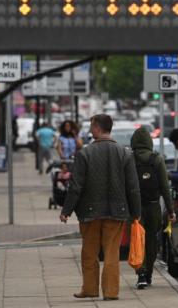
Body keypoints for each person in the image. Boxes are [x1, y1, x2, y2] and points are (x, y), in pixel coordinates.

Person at [60, 114, 142, 301]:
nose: (90, 129)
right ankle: (111, 292)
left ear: (97, 127)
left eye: (91, 125)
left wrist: (66, 210)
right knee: (112, 253)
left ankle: (90, 289)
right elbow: (133, 186)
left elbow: (76, 186)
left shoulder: (85, 154)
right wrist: (136, 212)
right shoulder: (124, 153)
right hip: (117, 212)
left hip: (90, 213)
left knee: (89, 252)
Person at [130, 127, 175, 289]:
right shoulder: (157, 159)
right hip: (154, 206)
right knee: (151, 241)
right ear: (149, 142)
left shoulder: (129, 159)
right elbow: (165, 187)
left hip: (135, 208)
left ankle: (140, 272)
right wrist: (170, 210)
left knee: (137, 239)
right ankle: (147, 273)